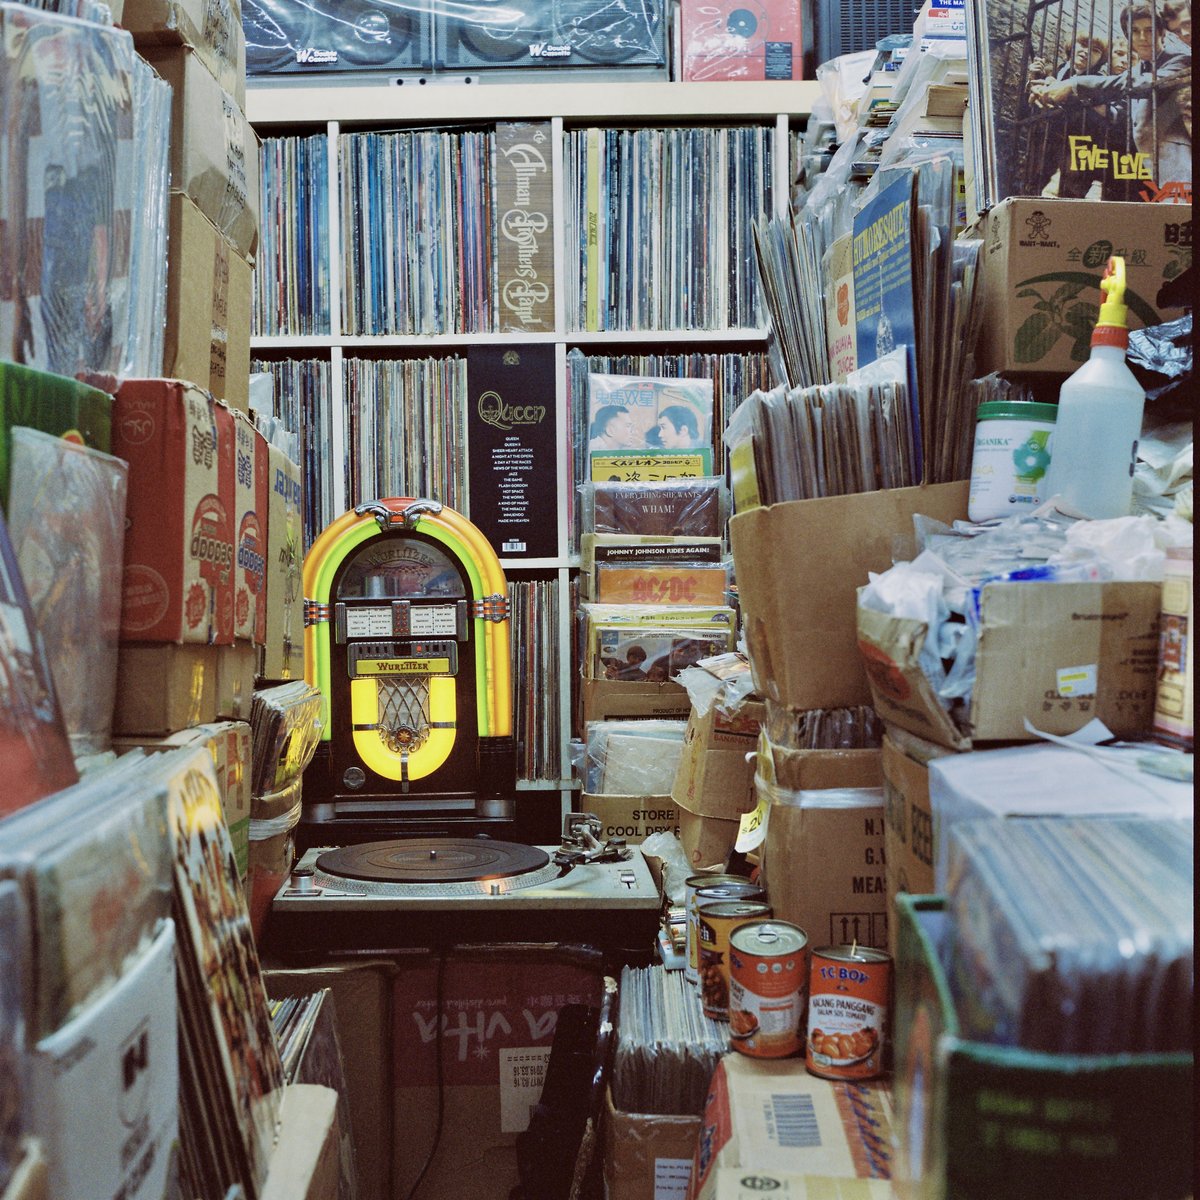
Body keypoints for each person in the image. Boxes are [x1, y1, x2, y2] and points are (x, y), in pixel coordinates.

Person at [1029, 3, 1191, 199]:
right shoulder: (1134, 72)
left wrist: (1073, 85)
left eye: (1149, 30)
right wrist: (1053, 91)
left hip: (1175, 168)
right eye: (1135, 31)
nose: (1142, 37)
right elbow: (1120, 114)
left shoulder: (1181, 59)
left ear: (1161, 33)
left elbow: (1144, 84)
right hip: (1138, 174)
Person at [1025, 31, 1111, 197]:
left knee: (1064, 194)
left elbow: (1095, 119)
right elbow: (1026, 114)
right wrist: (1032, 83)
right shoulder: (1054, 71)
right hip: (1044, 145)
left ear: (1101, 59)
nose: (1087, 51)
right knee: (1033, 190)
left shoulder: (1096, 80)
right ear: (1072, 46)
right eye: (1084, 44)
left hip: (1074, 148)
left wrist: (1062, 93)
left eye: (1096, 50)